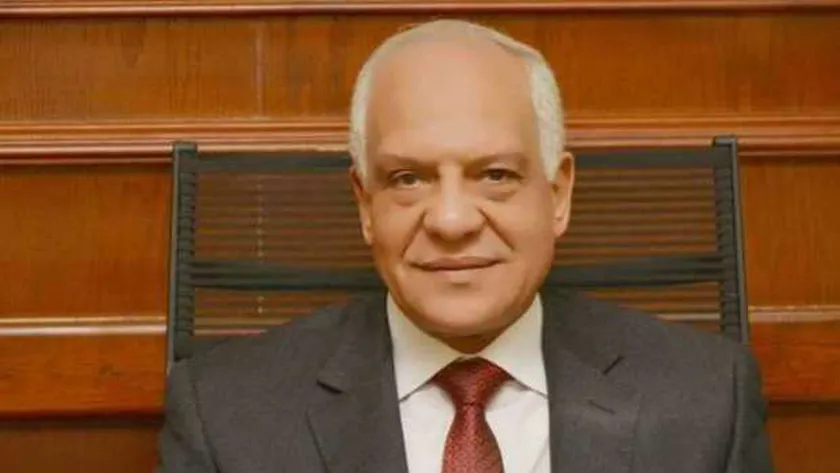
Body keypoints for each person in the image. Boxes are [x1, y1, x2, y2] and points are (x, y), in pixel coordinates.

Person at [157, 19, 773, 473]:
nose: (451, 220)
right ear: (365, 205)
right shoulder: (226, 415)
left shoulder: (708, 402)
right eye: (408, 179)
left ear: (558, 195)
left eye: (495, 175)